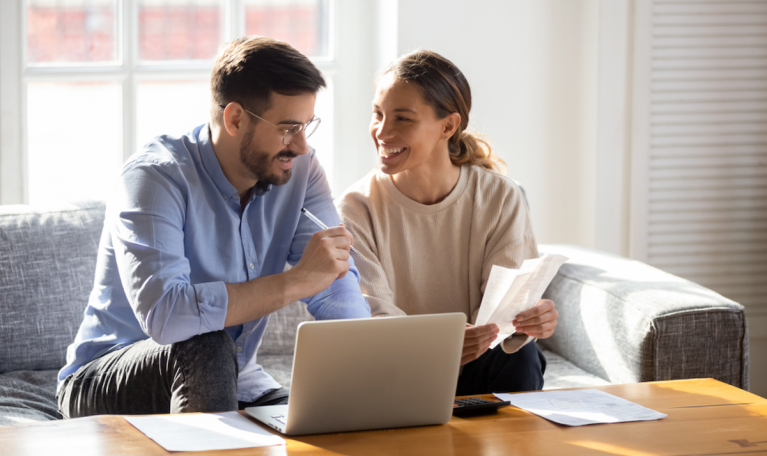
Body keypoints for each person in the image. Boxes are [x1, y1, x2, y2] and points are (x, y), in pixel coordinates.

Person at [57, 36, 370, 418]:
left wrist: (367, 367)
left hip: (238, 380)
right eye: (288, 128)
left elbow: (335, 280)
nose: (301, 146)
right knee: (205, 344)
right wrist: (295, 282)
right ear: (235, 118)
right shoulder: (154, 179)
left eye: (307, 126)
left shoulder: (300, 171)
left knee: (329, 421)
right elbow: (167, 316)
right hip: (106, 377)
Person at [336, 50, 558, 395]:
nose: (382, 131)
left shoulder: (500, 196)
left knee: (521, 356)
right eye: (377, 114)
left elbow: (505, 313)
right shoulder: (356, 207)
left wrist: (529, 321)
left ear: (448, 125)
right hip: (398, 370)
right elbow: (373, 318)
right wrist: (442, 345)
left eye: (402, 119)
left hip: (480, 363)